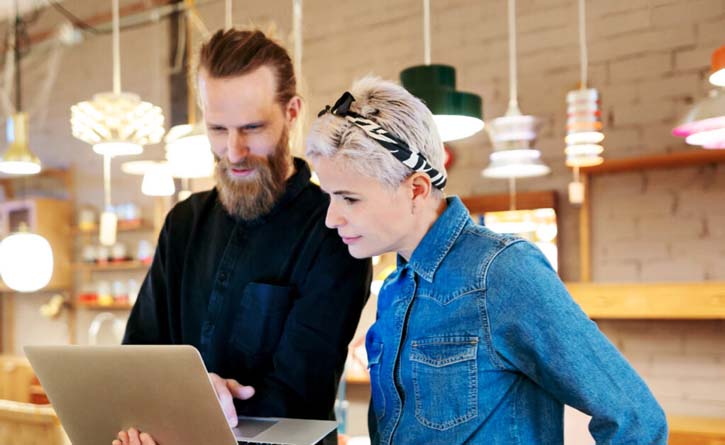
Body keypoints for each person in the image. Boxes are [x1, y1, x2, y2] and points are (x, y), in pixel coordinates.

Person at [303, 76, 668, 444]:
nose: (332, 218)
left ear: (416, 189)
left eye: (349, 199)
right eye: (330, 196)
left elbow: (635, 418)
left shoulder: (504, 271)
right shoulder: (395, 289)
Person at [116, 29, 371, 445]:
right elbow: (138, 356)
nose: (233, 151)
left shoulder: (334, 227)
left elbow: (299, 397)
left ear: (292, 113)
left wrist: (188, 405)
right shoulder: (183, 221)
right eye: (218, 129)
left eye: (252, 128)